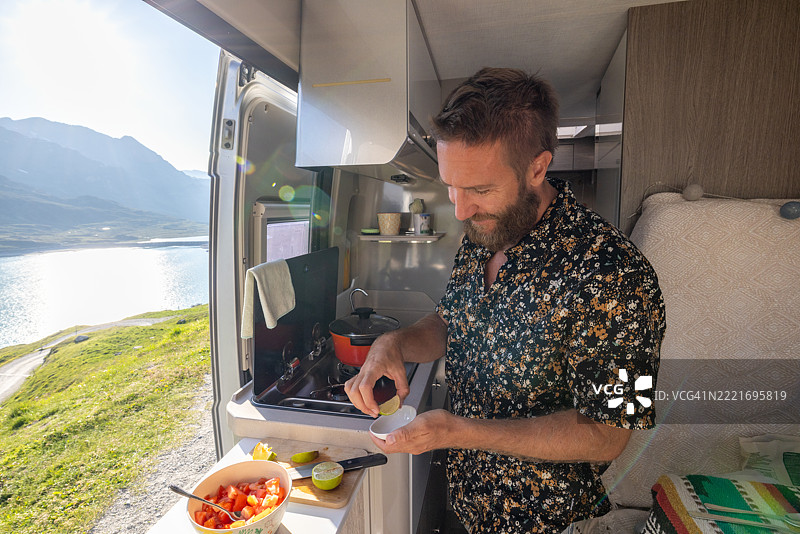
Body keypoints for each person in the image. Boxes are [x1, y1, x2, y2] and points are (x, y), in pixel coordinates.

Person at [344, 67, 666, 534]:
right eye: (450, 186)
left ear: (537, 167)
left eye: (479, 189)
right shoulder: (481, 234)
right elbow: (451, 323)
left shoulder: (615, 276)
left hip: (548, 523)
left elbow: (607, 434)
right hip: (469, 504)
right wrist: (392, 344)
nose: (459, 209)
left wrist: (459, 431)